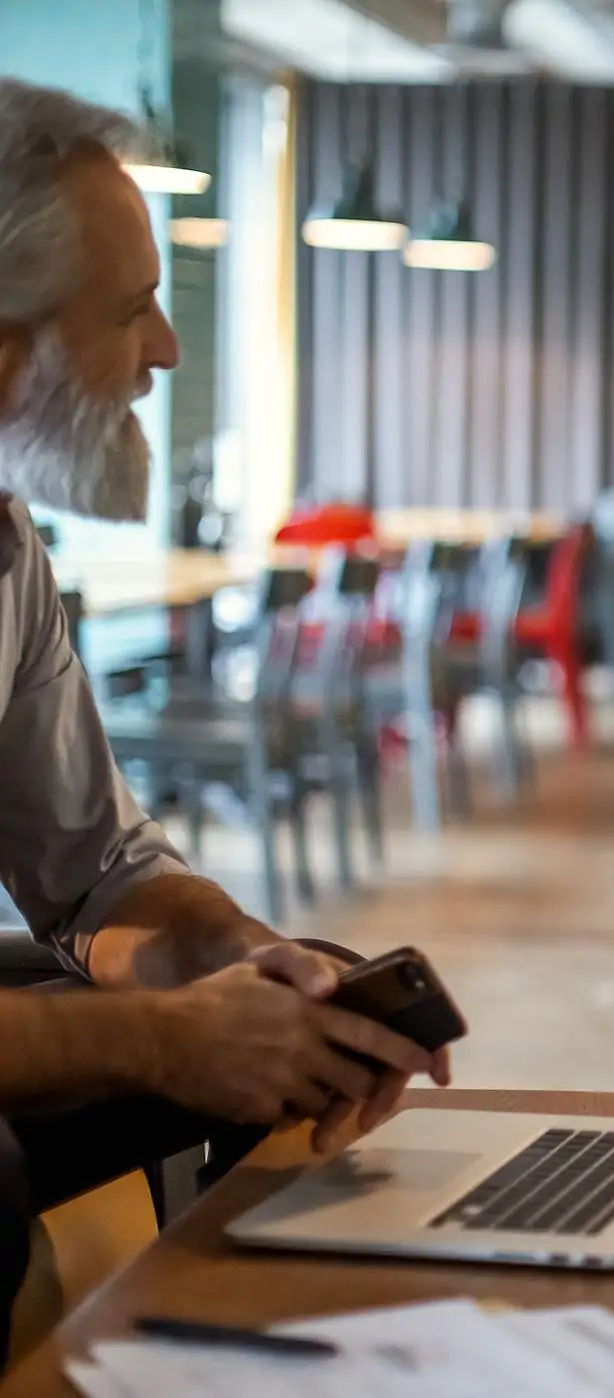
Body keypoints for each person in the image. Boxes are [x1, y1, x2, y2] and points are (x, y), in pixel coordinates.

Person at [0, 79, 447, 1345]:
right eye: (133, 307)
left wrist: (241, 960)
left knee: (274, 1046)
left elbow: (94, 877)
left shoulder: (5, 546)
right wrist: (157, 1039)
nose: (167, 352)